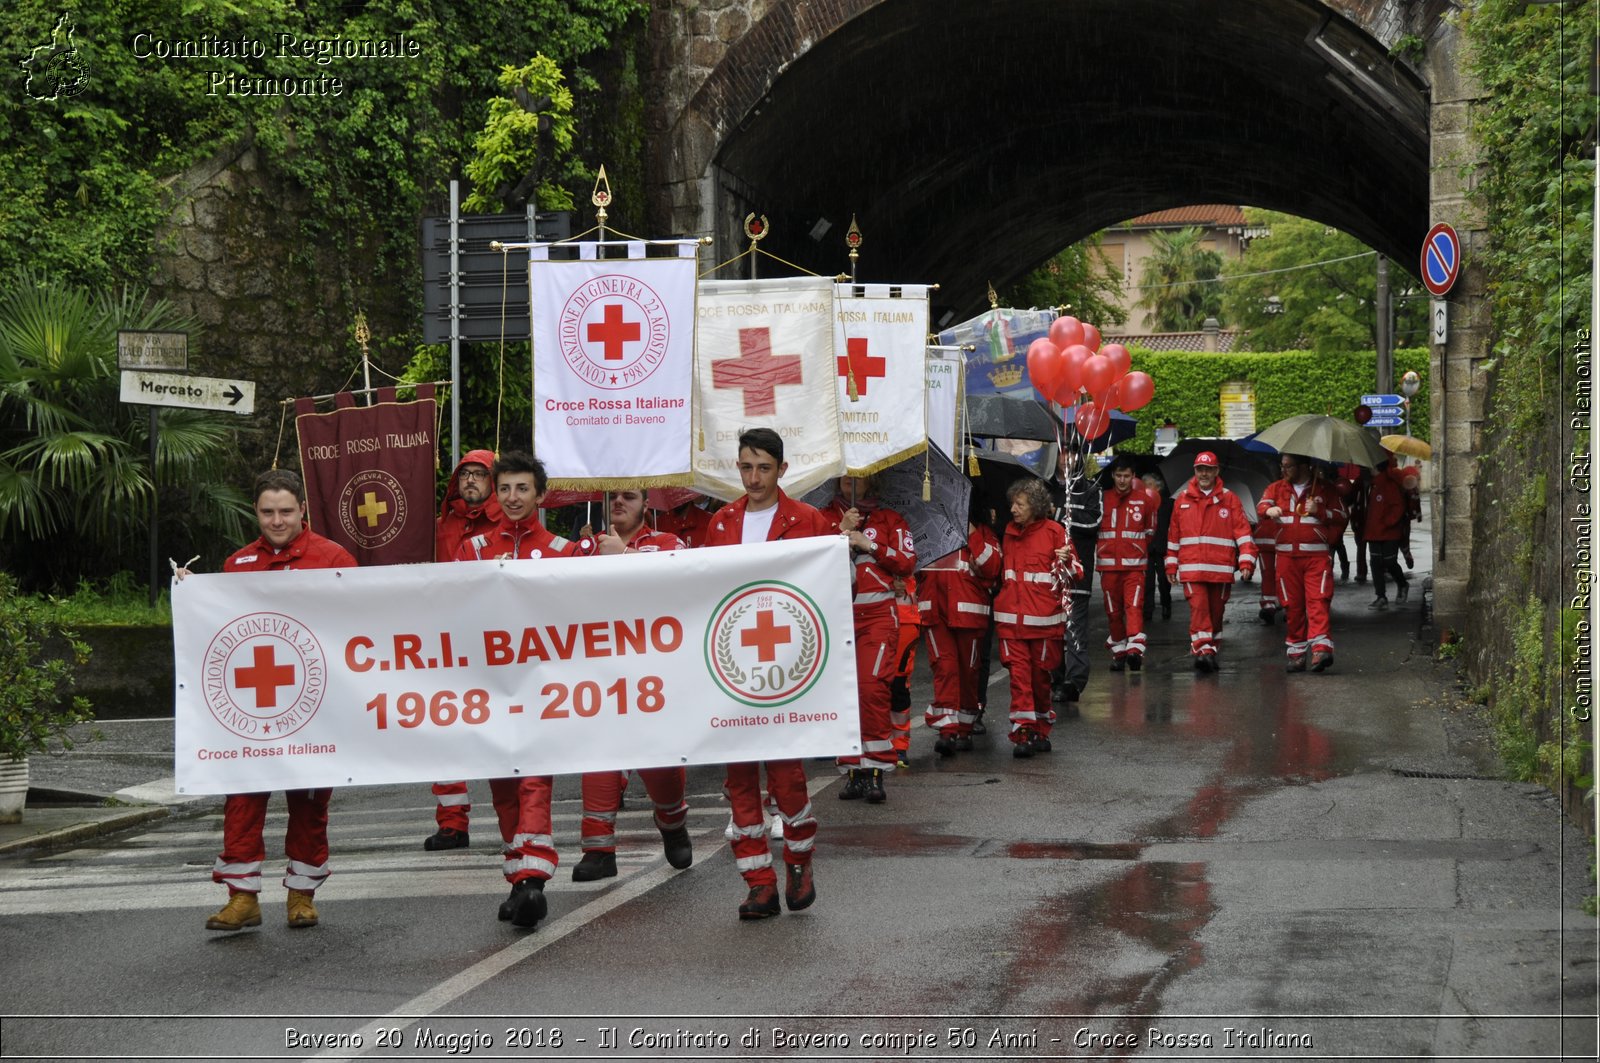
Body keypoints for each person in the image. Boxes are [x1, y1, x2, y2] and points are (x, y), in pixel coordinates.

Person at [183, 469, 356, 933]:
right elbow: (220, 630)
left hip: (315, 706)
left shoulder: (334, 559)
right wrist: (190, 594)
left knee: (309, 802)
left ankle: (301, 895)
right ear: (255, 513)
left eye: (285, 511)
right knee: (242, 797)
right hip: (252, 708)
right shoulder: (236, 564)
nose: (276, 520)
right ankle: (242, 898)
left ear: (303, 510)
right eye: (266, 512)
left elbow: (359, 624)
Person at [455, 450, 622, 928]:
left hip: (544, 690)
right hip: (489, 690)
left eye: (521, 489)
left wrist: (614, 559)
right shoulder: (474, 551)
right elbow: (453, 611)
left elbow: (591, 609)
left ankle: (532, 878)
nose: (511, 498)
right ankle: (518, 880)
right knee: (503, 786)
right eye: (504, 488)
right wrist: (489, 580)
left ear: (541, 495)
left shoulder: (563, 551)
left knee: (533, 781)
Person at [702, 427, 832, 920]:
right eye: (745, 467)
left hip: (786, 668)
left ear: (782, 469)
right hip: (733, 671)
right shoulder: (720, 523)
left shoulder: (808, 519)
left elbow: (827, 591)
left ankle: (799, 862)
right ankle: (758, 882)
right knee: (738, 780)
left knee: (786, 777)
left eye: (763, 467)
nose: (753, 478)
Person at [569, 488, 694, 881]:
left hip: (654, 668)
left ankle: (672, 822)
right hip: (601, 668)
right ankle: (598, 848)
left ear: (646, 504)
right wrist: (585, 555)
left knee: (659, 761)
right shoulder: (583, 548)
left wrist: (621, 556)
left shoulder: (667, 543)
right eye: (614, 497)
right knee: (599, 750)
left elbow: (683, 579)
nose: (619, 503)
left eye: (630, 497)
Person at [423, 449, 501, 852]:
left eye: (479, 475)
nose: (471, 480)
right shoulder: (437, 525)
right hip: (445, 639)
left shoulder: (509, 523)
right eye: (465, 474)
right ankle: (452, 822)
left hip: (494, 642)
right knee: (444, 729)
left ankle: (517, 820)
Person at [822, 475, 916, 801]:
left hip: (878, 618)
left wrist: (869, 544)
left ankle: (875, 770)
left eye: (857, 479)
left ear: (872, 481)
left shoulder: (891, 519)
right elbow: (806, 559)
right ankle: (853, 771)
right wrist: (838, 533)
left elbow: (907, 562)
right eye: (844, 479)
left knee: (872, 689)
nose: (850, 484)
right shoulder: (822, 518)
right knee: (845, 695)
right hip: (837, 618)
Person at [997, 477, 1081, 757]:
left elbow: (1077, 573)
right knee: (1019, 679)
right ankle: (1023, 732)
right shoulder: (1008, 534)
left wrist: (1066, 561)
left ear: (1034, 505)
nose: (1013, 509)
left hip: (1044, 624)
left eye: (1019, 504)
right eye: (1013, 503)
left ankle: (1040, 729)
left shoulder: (1056, 532)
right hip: (1011, 623)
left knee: (1039, 679)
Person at [1165, 452, 1257, 673]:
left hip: (1220, 570)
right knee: (1199, 610)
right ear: (1195, 472)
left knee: (1216, 613)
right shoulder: (1182, 500)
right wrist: (1171, 564)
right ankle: (1203, 650)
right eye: (1199, 469)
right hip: (1191, 569)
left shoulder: (1230, 499)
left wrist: (1246, 561)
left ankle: (1211, 649)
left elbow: (1243, 533)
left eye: (1208, 469)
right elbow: (1173, 536)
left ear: (1217, 471)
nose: (1203, 474)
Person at [918, 519, 1002, 756]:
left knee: (968, 671)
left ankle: (964, 728)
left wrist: (973, 533)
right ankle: (947, 730)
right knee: (944, 668)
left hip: (969, 613)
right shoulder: (927, 529)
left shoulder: (984, 533)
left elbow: (993, 567)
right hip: (935, 611)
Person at [1258, 454, 1347, 672]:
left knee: (1318, 601)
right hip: (1287, 558)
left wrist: (1321, 511)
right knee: (1292, 606)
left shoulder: (1326, 489)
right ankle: (1296, 654)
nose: (1284, 470)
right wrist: (1269, 511)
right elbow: (1262, 506)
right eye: (1282, 465)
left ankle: (1320, 651)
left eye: (1288, 466)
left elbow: (1342, 515)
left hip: (1316, 558)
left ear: (1304, 466)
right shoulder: (1276, 488)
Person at [1096, 457, 1160, 671]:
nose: (1122, 480)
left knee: (1133, 607)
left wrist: (1135, 548)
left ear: (1133, 477)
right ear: (1113, 475)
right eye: (1118, 475)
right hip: (1108, 566)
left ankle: (1134, 649)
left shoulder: (1145, 500)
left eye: (1126, 476)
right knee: (1113, 612)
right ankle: (1120, 653)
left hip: (1134, 566)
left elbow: (1150, 531)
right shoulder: (1101, 499)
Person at [1052, 449, 1101, 708]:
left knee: (1074, 629)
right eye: (1062, 453)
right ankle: (1055, 678)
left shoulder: (1091, 489)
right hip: (1049, 576)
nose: (1066, 459)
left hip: (1078, 576)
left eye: (1071, 454)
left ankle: (1074, 682)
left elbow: (1094, 523)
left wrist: (1059, 514)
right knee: (1052, 631)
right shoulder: (1045, 487)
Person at [1363, 459, 1412, 609]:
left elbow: (1398, 506)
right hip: (1373, 532)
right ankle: (1381, 596)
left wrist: (1388, 522)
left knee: (1389, 562)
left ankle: (1402, 584)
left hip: (1389, 533)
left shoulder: (1388, 485)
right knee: (1375, 564)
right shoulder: (1372, 485)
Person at [1141, 471, 1174, 623]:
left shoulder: (1168, 503)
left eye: (1149, 485)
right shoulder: (1141, 503)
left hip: (1163, 547)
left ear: (1158, 487)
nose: (1145, 488)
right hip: (1146, 548)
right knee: (1147, 582)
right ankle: (1148, 610)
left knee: (1164, 581)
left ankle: (1166, 605)